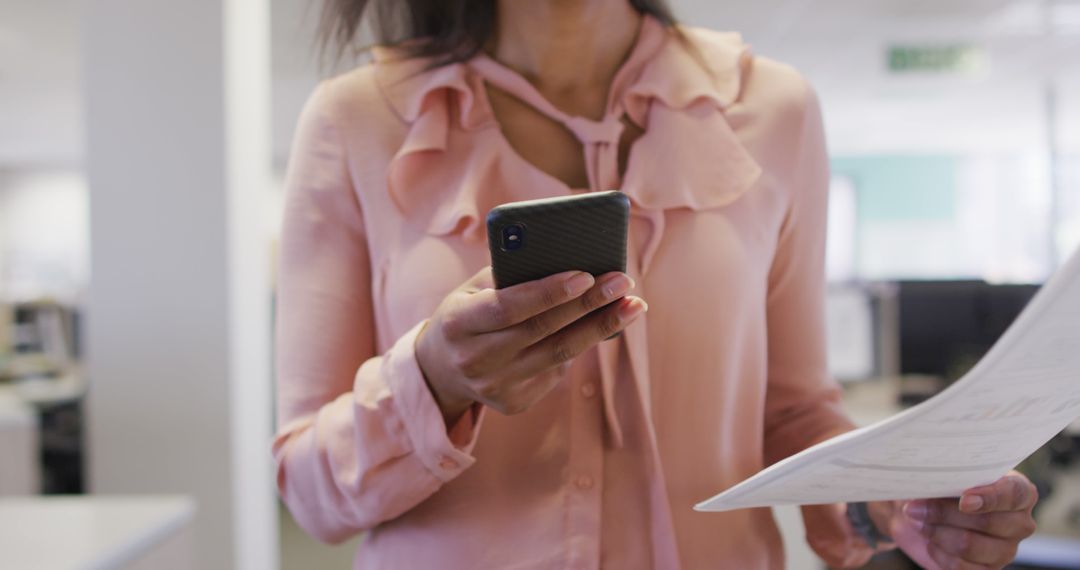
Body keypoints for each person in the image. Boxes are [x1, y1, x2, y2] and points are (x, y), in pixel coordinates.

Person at [272, 1, 1039, 567]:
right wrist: (435, 382)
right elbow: (309, 492)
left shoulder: (775, 112)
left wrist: (899, 501)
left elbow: (796, 414)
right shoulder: (357, 123)